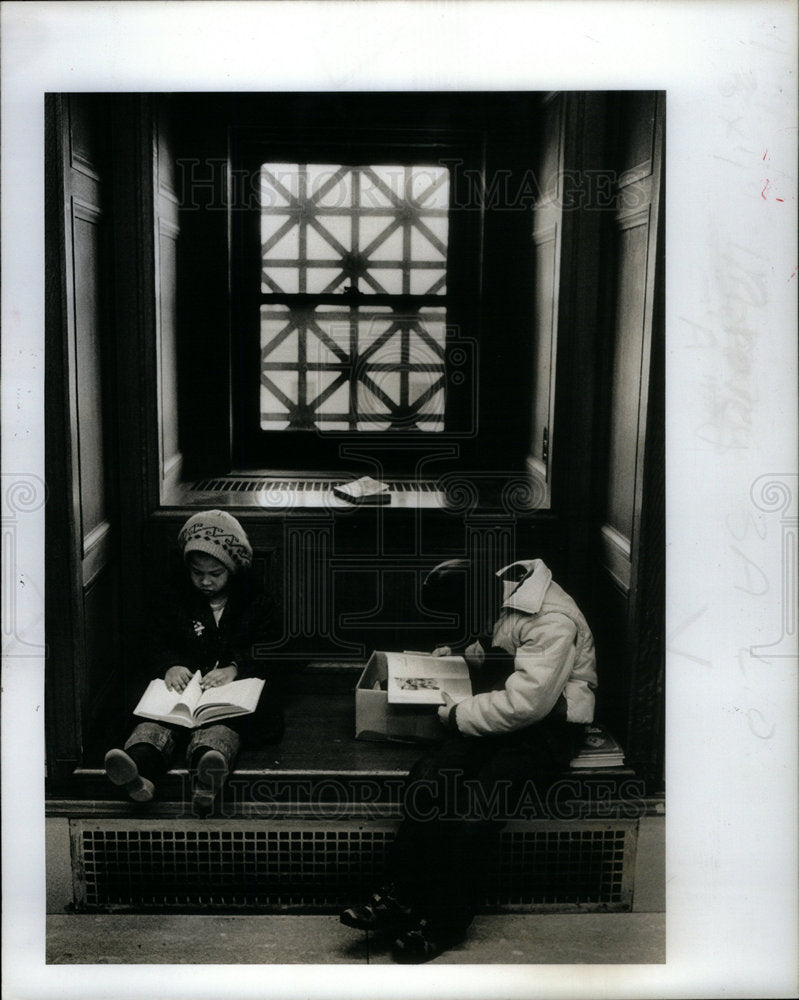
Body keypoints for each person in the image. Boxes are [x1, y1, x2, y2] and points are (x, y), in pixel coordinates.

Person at [340, 557, 598, 963]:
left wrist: (457, 713)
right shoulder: (507, 591)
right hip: (502, 712)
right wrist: (461, 656)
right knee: (428, 779)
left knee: (475, 809)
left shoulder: (553, 620)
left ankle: (444, 921)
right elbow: (502, 645)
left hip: (547, 726)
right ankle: (402, 894)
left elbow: (528, 703)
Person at [104, 510, 284, 814]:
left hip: (224, 696)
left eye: (215, 574)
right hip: (181, 690)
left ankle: (208, 776)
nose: (205, 581)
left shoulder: (255, 599)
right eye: (197, 572)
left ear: (233, 568)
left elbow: (274, 648)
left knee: (221, 728)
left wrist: (236, 667)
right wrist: (169, 664)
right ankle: (137, 773)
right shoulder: (171, 596)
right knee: (155, 724)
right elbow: (150, 638)